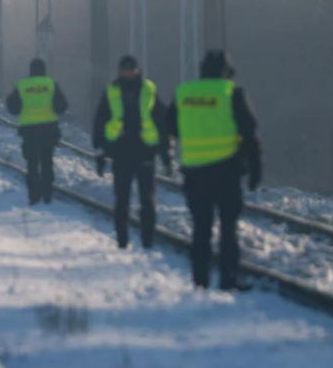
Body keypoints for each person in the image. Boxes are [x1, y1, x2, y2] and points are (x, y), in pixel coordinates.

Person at [168, 50, 262, 291]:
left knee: (201, 227)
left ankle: (200, 279)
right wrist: (255, 169)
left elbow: (170, 126)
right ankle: (228, 279)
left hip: (195, 172)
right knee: (228, 229)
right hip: (226, 171)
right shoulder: (231, 92)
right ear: (226, 72)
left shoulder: (184, 93)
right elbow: (250, 133)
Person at [92, 55, 171, 249]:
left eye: (130, 68)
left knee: (145, 200)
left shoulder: (148, 90)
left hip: (143, 151)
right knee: (123, 199)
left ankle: (147, 241)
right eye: (124, 68)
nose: (127, 72)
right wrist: (101, 150)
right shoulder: (112, 91)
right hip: (123, 152)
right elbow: (101, 119)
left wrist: (165, 153)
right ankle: (122, 241)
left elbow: (161, 121)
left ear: (137, 70)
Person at [6, 59, 69, 205]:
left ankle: (34, 195)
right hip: (48, 130)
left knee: (32, 163)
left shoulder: (23, 85)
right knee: (47, 161)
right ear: (44, 70)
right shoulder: (51, 84)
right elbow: (62, 106)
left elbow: (12, 107)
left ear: (30, 70)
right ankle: (47, 195)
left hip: (29, 131)